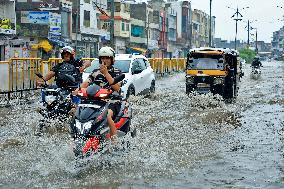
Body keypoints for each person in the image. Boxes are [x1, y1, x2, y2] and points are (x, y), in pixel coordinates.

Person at [74, 46, 122, 142]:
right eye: (103, 58)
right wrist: (77, 90)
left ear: (112, 59)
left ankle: (115, 142)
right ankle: (77, 137)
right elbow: (86, 82)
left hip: (111, 101)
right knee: (77, 114)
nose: (105, 60)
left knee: (107, 116)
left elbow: (117, 88)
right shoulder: (95, 72)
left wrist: (106, 73)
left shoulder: (117, 72)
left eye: (107, 58)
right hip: (94, 100)